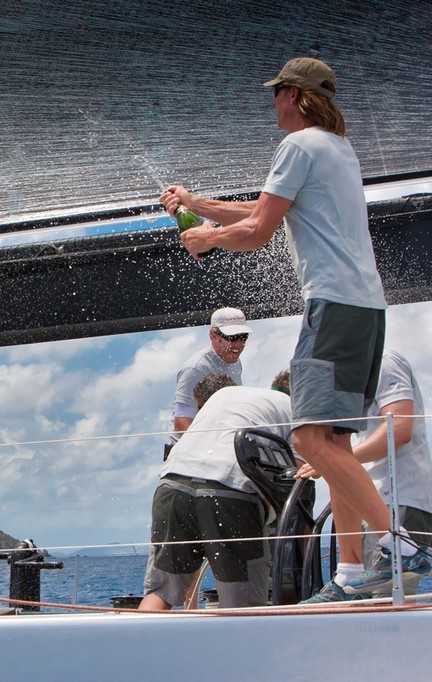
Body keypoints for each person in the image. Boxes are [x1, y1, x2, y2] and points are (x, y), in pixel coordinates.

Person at [160, 56, 428, 593]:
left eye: (276, 93)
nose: (273, 103)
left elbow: (259, 229)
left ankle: (405, 546)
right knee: (333, 440)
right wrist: (195, 205)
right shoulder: (336, 150)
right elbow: (265, 208)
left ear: (296, 96)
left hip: (331, 306)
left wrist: (205, 238)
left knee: (309, 437)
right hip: (362, 309)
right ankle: (354, 572)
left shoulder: (298, 145)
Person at [141, 371, 292, 610]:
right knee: (242, 604)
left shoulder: (226, 395)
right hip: (230, 492)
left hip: (172, 484)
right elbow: (307, 469)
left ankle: (140, 644)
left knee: (162, 591)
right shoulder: (296, 408)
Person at [302, 351, 432, 602]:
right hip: (367, 500)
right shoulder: (343, 377)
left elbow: (399, 427)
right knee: (363, 602)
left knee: (385, 603)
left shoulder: (384, 361)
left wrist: (331, 462)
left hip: (398, 496)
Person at [171, 307, 252, 437]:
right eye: (232, 337)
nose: (238, 344)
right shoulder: (195, 368)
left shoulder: (235, 361)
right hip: (187, 448)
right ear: (213, 335)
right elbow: (181, 422)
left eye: (243, 337)